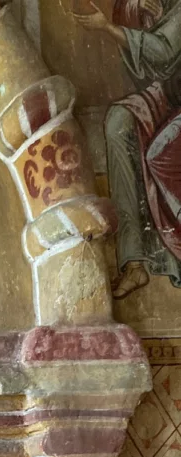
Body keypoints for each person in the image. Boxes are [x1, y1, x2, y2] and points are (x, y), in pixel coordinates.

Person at [76, 0, 181, 298]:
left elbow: (163, 51)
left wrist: (107, 27)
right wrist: (137, 11)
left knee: (159, 154)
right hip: (169, 91)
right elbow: (149, 65)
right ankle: (133, 263)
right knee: (118, 123)